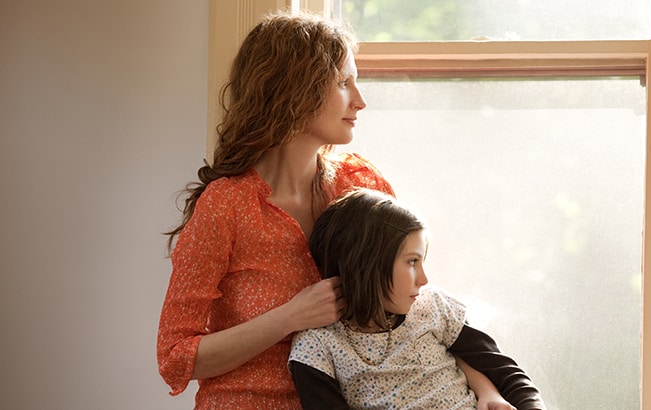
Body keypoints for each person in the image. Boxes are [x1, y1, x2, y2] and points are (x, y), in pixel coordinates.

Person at [156, 10, 396, 408]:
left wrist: (490, 387)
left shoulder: (361, 184)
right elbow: (175, 358)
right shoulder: (226, 206)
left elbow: (417, 303)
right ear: (294, 90)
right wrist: (290, 316)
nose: (360, 100)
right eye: (343, 82)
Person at [289, 188, 547, 410]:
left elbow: (506, 373)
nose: (424, 279)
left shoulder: (431, 306)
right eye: (412, 261)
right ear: (366, 265)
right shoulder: (316, 347)